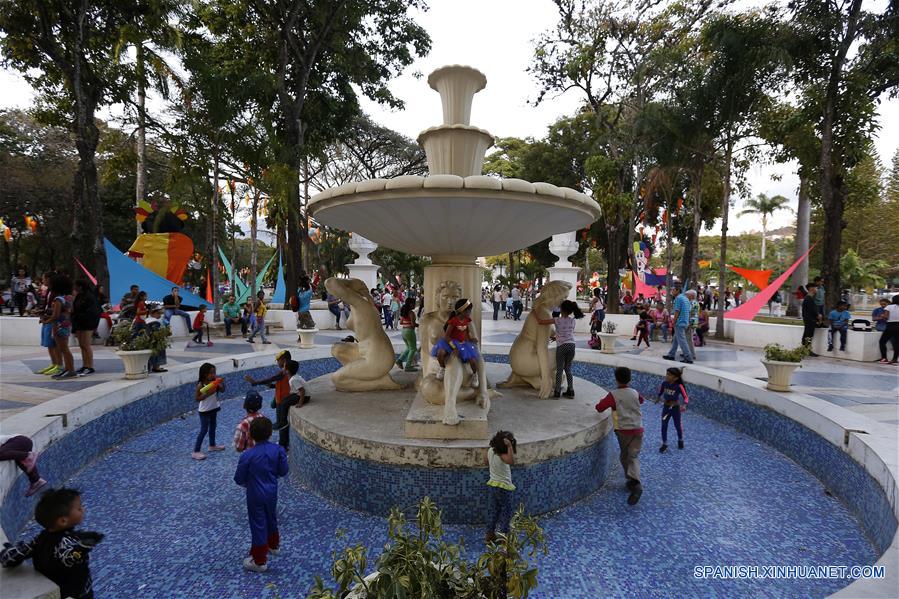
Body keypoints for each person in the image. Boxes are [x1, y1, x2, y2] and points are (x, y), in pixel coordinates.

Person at [0, 488, 103, 599]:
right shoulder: (65, 541)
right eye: (79, 508)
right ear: (63, 521)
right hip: (76, 593)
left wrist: (9, 553)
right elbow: (68, 557)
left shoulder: (40, 538)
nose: (82, 509)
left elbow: (22, 551)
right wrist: (83, 547)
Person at [234, 416, 288, 573]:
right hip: (272, 491)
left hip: (255, 494)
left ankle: (259, 560)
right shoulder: (278, 450)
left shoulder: (247, 455)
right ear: (270, 433)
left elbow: (238, 478)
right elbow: (283, 471)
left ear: (250, 435)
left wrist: (248, 482)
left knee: (258, 523)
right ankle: (273, 545)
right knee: (271, 517)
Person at [595, 366, 645, 505]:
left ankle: (634, 482)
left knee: (624, 455)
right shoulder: (634, 392)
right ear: (630, 379)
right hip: (638, 429)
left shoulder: (614, 394)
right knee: (633, 455)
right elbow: (641, 400)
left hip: (623, 431)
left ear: (616, 379)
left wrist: (602, 402)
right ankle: (634, 481)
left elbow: (599, 408)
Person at [537, 300, 584, 398]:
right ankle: (571, 391)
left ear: (561, 310)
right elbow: (567, 333)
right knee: (568, 369)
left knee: (559, 370)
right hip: (571, 345)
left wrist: (534, 313)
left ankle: (557, 392)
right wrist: (556, 338)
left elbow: (541, 322)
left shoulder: (557, 320)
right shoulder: (572, 320)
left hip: (562, 346)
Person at [432, 298, 481, 384]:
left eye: (470, 311)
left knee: (473, 360)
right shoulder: (453, 321)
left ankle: (475, 375)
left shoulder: (467, 320)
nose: (470, 313)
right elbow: (447, 336)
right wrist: (454, 347)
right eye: (468, 311)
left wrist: (470, 339)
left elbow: (466, 331)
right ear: (461, 311)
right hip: (450, 342)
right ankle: (442, 368)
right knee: (441, 353)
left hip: (463, 343)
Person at [485, 430, 516, 544]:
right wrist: (510, 447)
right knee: (506, 512)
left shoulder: (490, 451)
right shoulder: (503, 456)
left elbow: (486, 461)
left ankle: (489, 534)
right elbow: (512, 461)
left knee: (493, 510)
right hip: (504, 488)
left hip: (492, 485)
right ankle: (504, 538)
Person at [45, 275, 76, 379]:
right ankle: (68, 369)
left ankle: (70, 370)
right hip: (66, 325)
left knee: (64, 349)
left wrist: (45, 321)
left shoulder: (58, 299)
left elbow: (56, 315)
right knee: (64, 348)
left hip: (59, 326)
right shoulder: (68, 297)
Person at [192, 362, 226, 460]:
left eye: (214, 372)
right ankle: (196, 451)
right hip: (204, 410)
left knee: (213, 427)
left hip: (213, 407)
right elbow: (197, 398)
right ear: (204, 374)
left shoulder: (215, 381)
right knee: (204, 430)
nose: (213, 375)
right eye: (210, 373)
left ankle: (212, 445)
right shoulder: (201, 385)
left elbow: (223, 390)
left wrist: (220, 384)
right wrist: (208, 393)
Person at [274, 360, 307, 449]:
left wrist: (300, 403)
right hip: (297, 394)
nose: (283, 368)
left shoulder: (293, 379)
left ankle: (282, 422)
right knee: (284, 400)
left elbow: (302, 391)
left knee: (284, 403)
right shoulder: (293, 377)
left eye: (284, 367)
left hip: (303, 396)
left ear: (287, 371)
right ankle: (281, 420)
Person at [655, 367, 689, 452]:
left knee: (677, 425)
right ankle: (664, 443)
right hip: (666, 408)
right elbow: (661, 391)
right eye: (667, 374)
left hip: (675, 409)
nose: (667, 376)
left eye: (669, 375)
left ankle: (680, 439)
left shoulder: (679, 386)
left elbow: (686, 397)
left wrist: (684, 404)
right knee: (664, 424)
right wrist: (658, 398)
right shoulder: (664, 383)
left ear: (676, 378)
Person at [71, 281, 101, 377]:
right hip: (79, 323)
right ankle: (85, 365)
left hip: (87, 324)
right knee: (82, 345)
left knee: (86, 345)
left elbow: (93, 312)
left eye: (76, 286)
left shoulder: (90, 297)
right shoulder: (80, 296)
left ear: (81, 286)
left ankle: (90, 366)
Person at [663, 287, 694, 364]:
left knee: (682, 341)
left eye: (673, 290)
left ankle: (688, 357)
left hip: (679, 322)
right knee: (676, 339)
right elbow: (689, 311)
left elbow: (677, 311)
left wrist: (674, 321)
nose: (672, 291)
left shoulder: (678, 298)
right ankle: (671, 355)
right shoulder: (685, 299)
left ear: (678, 290)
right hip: (684, 321)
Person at [397, 297, 419, 372]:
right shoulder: (411, 313)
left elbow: (401, 322)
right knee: (413, 349)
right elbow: (413, 324)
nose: (415, 305)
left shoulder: (404, 312)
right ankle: (408, 366)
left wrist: (407, 322)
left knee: (409, 348)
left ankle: (399, 360)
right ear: (411, 304)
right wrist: (419, 325)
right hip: (410, 331)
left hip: (404, 331)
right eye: (414, 303)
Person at [144, 306, 168, 373]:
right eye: (158, 313)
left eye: (160, 313)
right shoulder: (154, 322)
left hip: (148, 340)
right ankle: (156, 367)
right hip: (154, 341)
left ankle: (152, 367)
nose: (160, 315)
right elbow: (156, 333)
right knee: (159, 350)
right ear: (152, 314)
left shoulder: (147, 320)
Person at [877, 294, 899, 364]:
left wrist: (882, 315)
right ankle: (895, 359)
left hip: (891, 326)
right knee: (897, 343)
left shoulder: (889, 307)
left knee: (882, 341)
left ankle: (884, 358)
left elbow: (886, 317)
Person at [801, 283, 821, 357]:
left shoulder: (809, 298)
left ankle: (805, 349)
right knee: (808, 335)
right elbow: (811, 310)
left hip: (810, 319)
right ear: (811, 289)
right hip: (809, 320)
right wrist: (818, 315)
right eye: (816, 288)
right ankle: (806, 350)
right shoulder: (808, 298)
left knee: (808, 335)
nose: (817, 290)